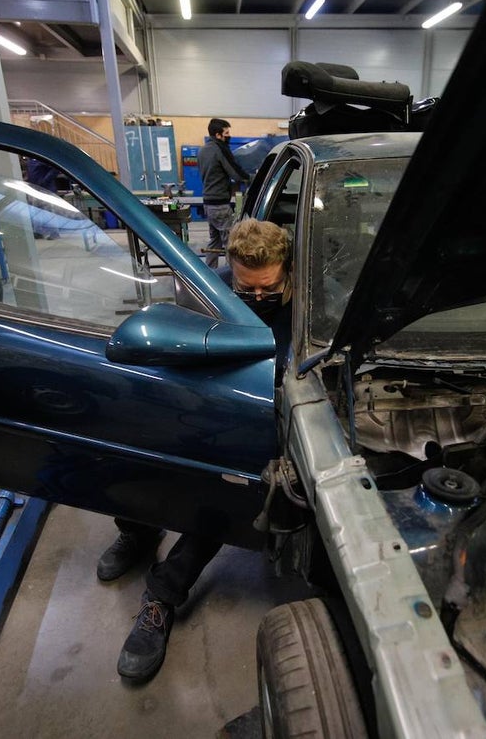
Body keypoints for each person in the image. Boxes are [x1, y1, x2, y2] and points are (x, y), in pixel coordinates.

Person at [100, 218, 293, 682]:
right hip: (212, 405)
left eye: (271, 289)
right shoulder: (206, 292)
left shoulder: (309, 299)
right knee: (138, 454)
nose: (261, 299)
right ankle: (138, 531)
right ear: (231, 270)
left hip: (274, 420)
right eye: (249, 290)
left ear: (286, 268)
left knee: (221, 501)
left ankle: (162, 595)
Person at [197, 118, 250, 269]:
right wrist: (250, 179)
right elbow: (235, 173)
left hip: (208, 204)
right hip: (220, 205)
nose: (229, 136)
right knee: (230, 244)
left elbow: (211, 174)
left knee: (214, 241)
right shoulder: (220, 149)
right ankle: (232, 278)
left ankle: (210, 273)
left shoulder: (202, 150)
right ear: (218, 134)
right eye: (226, 133)